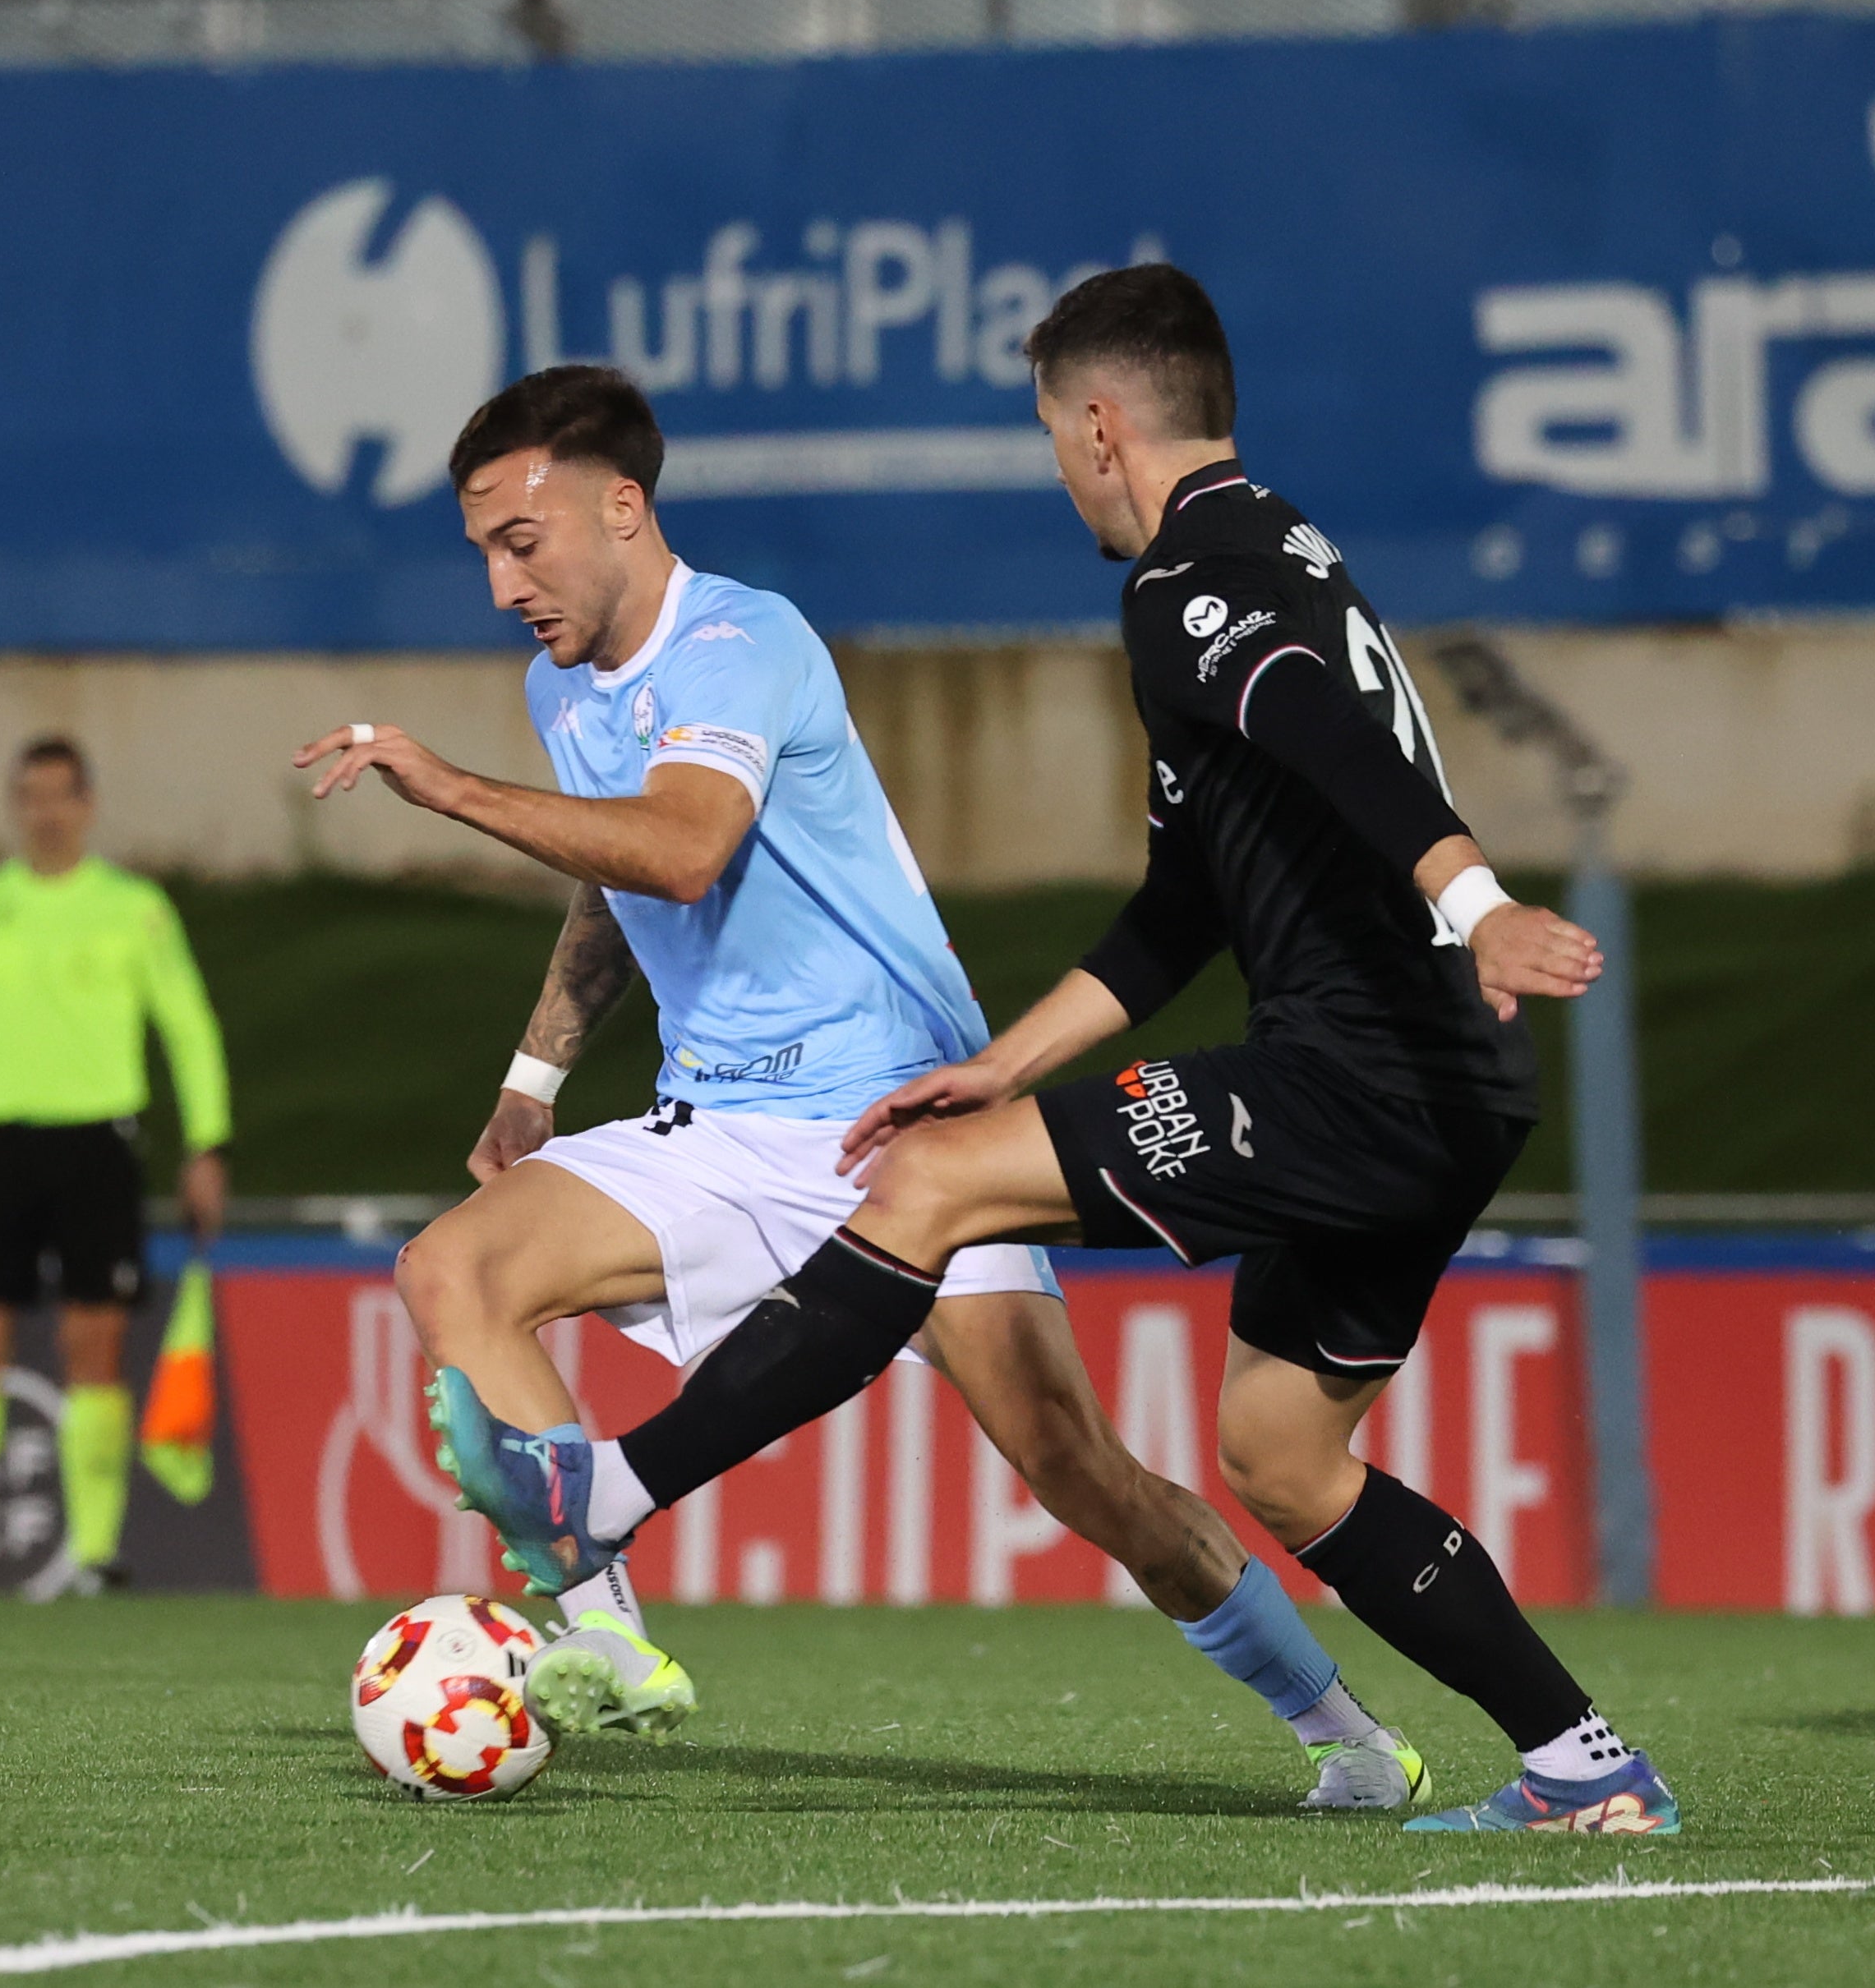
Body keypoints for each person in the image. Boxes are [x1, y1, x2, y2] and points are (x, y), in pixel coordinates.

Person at [412, 269, 1679, 1837]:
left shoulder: (1182, 589)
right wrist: (1005, 1062)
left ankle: (611, 1491)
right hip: (1445, 1086)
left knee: (939, 1196)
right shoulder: (1288, 547)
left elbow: (1313, 723)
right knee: (1282, 1458)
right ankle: (1581, 1763)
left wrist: (1472, 897)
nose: (1054, 466)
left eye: (1045, 434)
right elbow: (1175, 915)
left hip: (1364, 1069)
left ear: (1099, 426)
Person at [294, 363, 1430, 1810]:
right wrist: (537, 1073)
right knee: (454, 1270)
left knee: (1081, 1469)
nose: (504, 581)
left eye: (523, 542)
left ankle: (1341, 1727)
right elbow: (613, 871)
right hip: (715, 1119)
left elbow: (686, 845)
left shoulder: (744, 639)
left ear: (622, 507)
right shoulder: (561, 681)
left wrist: (447, 788)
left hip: (897, 1125)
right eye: (482, 554)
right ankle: (603, 1643)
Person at [0, 737, 232, 1597]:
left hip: (95, 1144)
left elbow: (187, 1024)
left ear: (86, 804)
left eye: (59, 795)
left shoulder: (133, 906)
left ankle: (94, 1556)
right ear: (15, 805)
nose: (45, 811)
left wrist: (208, 1142)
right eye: (29, 795)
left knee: (94, 1343)